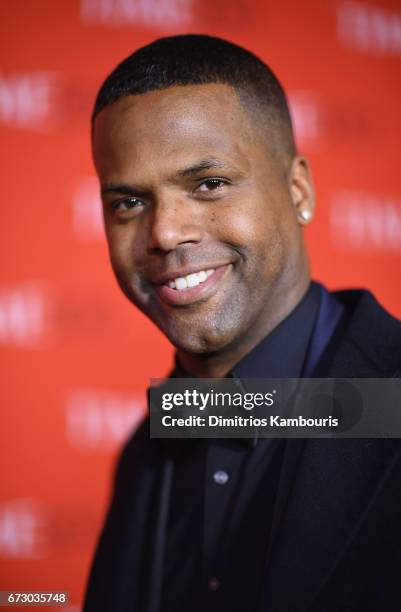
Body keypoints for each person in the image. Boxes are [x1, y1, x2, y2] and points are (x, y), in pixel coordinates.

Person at [83, 34, 401, 612]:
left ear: (298, 189)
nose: (164, 233)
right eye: (128, 202)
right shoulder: (142, 453)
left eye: (208, 184)